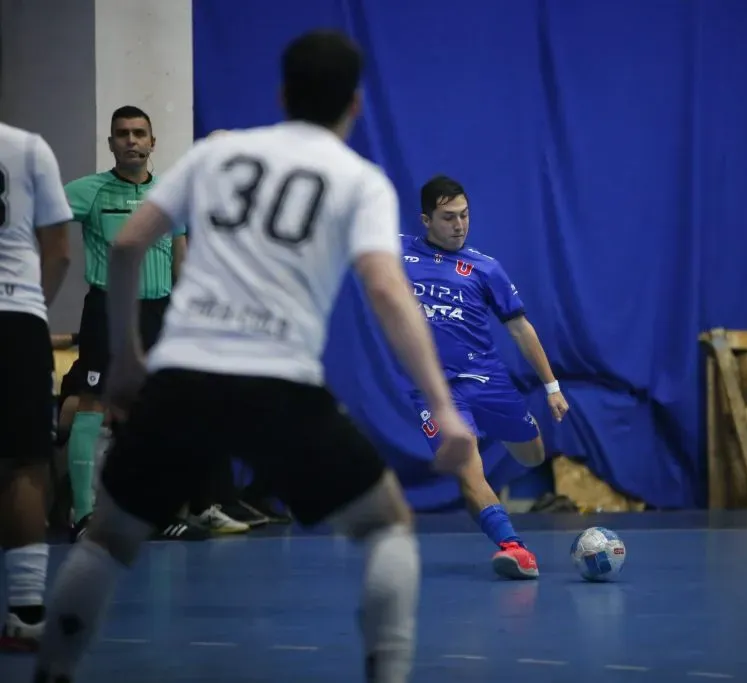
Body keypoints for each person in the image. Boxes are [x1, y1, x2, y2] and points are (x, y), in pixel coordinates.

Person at [32, 29, 474, 683]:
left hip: (183, 376)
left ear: (282, 94)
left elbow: (126, 246)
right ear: (355, 105)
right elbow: (386, 290)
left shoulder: (218, 153)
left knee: (108, 539)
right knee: (387, 527)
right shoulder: (360, 180)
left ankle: (53, 669)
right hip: (280, 387)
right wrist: (443, 406)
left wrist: (126, 358)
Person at [401, 175, 570, 579]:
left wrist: (551, 387)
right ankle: (514, 548)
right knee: (467, 468)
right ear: (426, 220)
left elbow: (520, 329)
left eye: (464, 215)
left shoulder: (485, 268)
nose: (459, 225)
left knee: (532, 454)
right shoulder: (397, 253)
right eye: (448, 217)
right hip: (435, 390)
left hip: (488, 380)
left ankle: (495, 426)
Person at [61, 106, 207, 541]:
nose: (131, 140)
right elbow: (39, 216)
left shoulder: (170, 195)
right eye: (122, 134)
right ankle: (83, 515)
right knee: (93, 405)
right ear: (111, 143)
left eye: (139, 133)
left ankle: (157, 514)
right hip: (107, 310)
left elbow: (181, 258)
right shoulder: (87, 192)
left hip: (157, 312)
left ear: (152, 142)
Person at [0, 123, 72, 651]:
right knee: (25, 463)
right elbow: (60, 251)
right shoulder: (27, 148)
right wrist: (32, 305)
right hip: (16, 316)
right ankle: (26, 613)